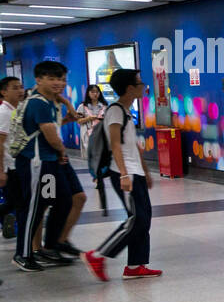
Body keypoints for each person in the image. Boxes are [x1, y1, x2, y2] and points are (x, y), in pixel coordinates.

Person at [82, 68, 159, 280]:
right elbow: (114, 143)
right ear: (129, 88)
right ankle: (97, 255)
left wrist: (145, 170)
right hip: (124, 173)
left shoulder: (125, 110)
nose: (143, 86)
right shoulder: (115, 111)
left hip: (135, 173)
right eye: (139, 83)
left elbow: (132, 145)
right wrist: (125, 175)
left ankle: (135, 265)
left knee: (144, 219)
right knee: (137, 219)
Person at [10, 61, 82, 271]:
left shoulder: (48, 101)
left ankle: (50, 247)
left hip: (47, 164)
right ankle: (22, 254)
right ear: (39, 79)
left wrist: (66, 104)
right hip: (36, 163)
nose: (57, 83)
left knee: (61, 201)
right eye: (51, 78)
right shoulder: (38, 103)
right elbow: (50, 135)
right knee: (34, 208)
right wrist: (61, 152)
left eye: (60, 79)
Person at [77, 83, 110, 214]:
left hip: (102, 136)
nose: (94, 94)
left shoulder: (105, 106)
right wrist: (89, 118)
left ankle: (98, 176)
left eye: (96, 92)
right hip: (89, 136)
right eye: (92, 92)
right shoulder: (82, 107)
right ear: (88, 93)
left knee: (101, 158)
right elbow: (79, 121)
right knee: (92, 159)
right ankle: (97, 177)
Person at [0, 75, 24, 241]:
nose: (20, 91)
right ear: (3, 92)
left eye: (20, 87)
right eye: (15, 88)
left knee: (13, 202)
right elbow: (0, 143)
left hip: (18, 165)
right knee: (17, 203)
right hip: (10, 166)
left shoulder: (18, 110)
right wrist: (1, 171)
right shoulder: (4, 113)